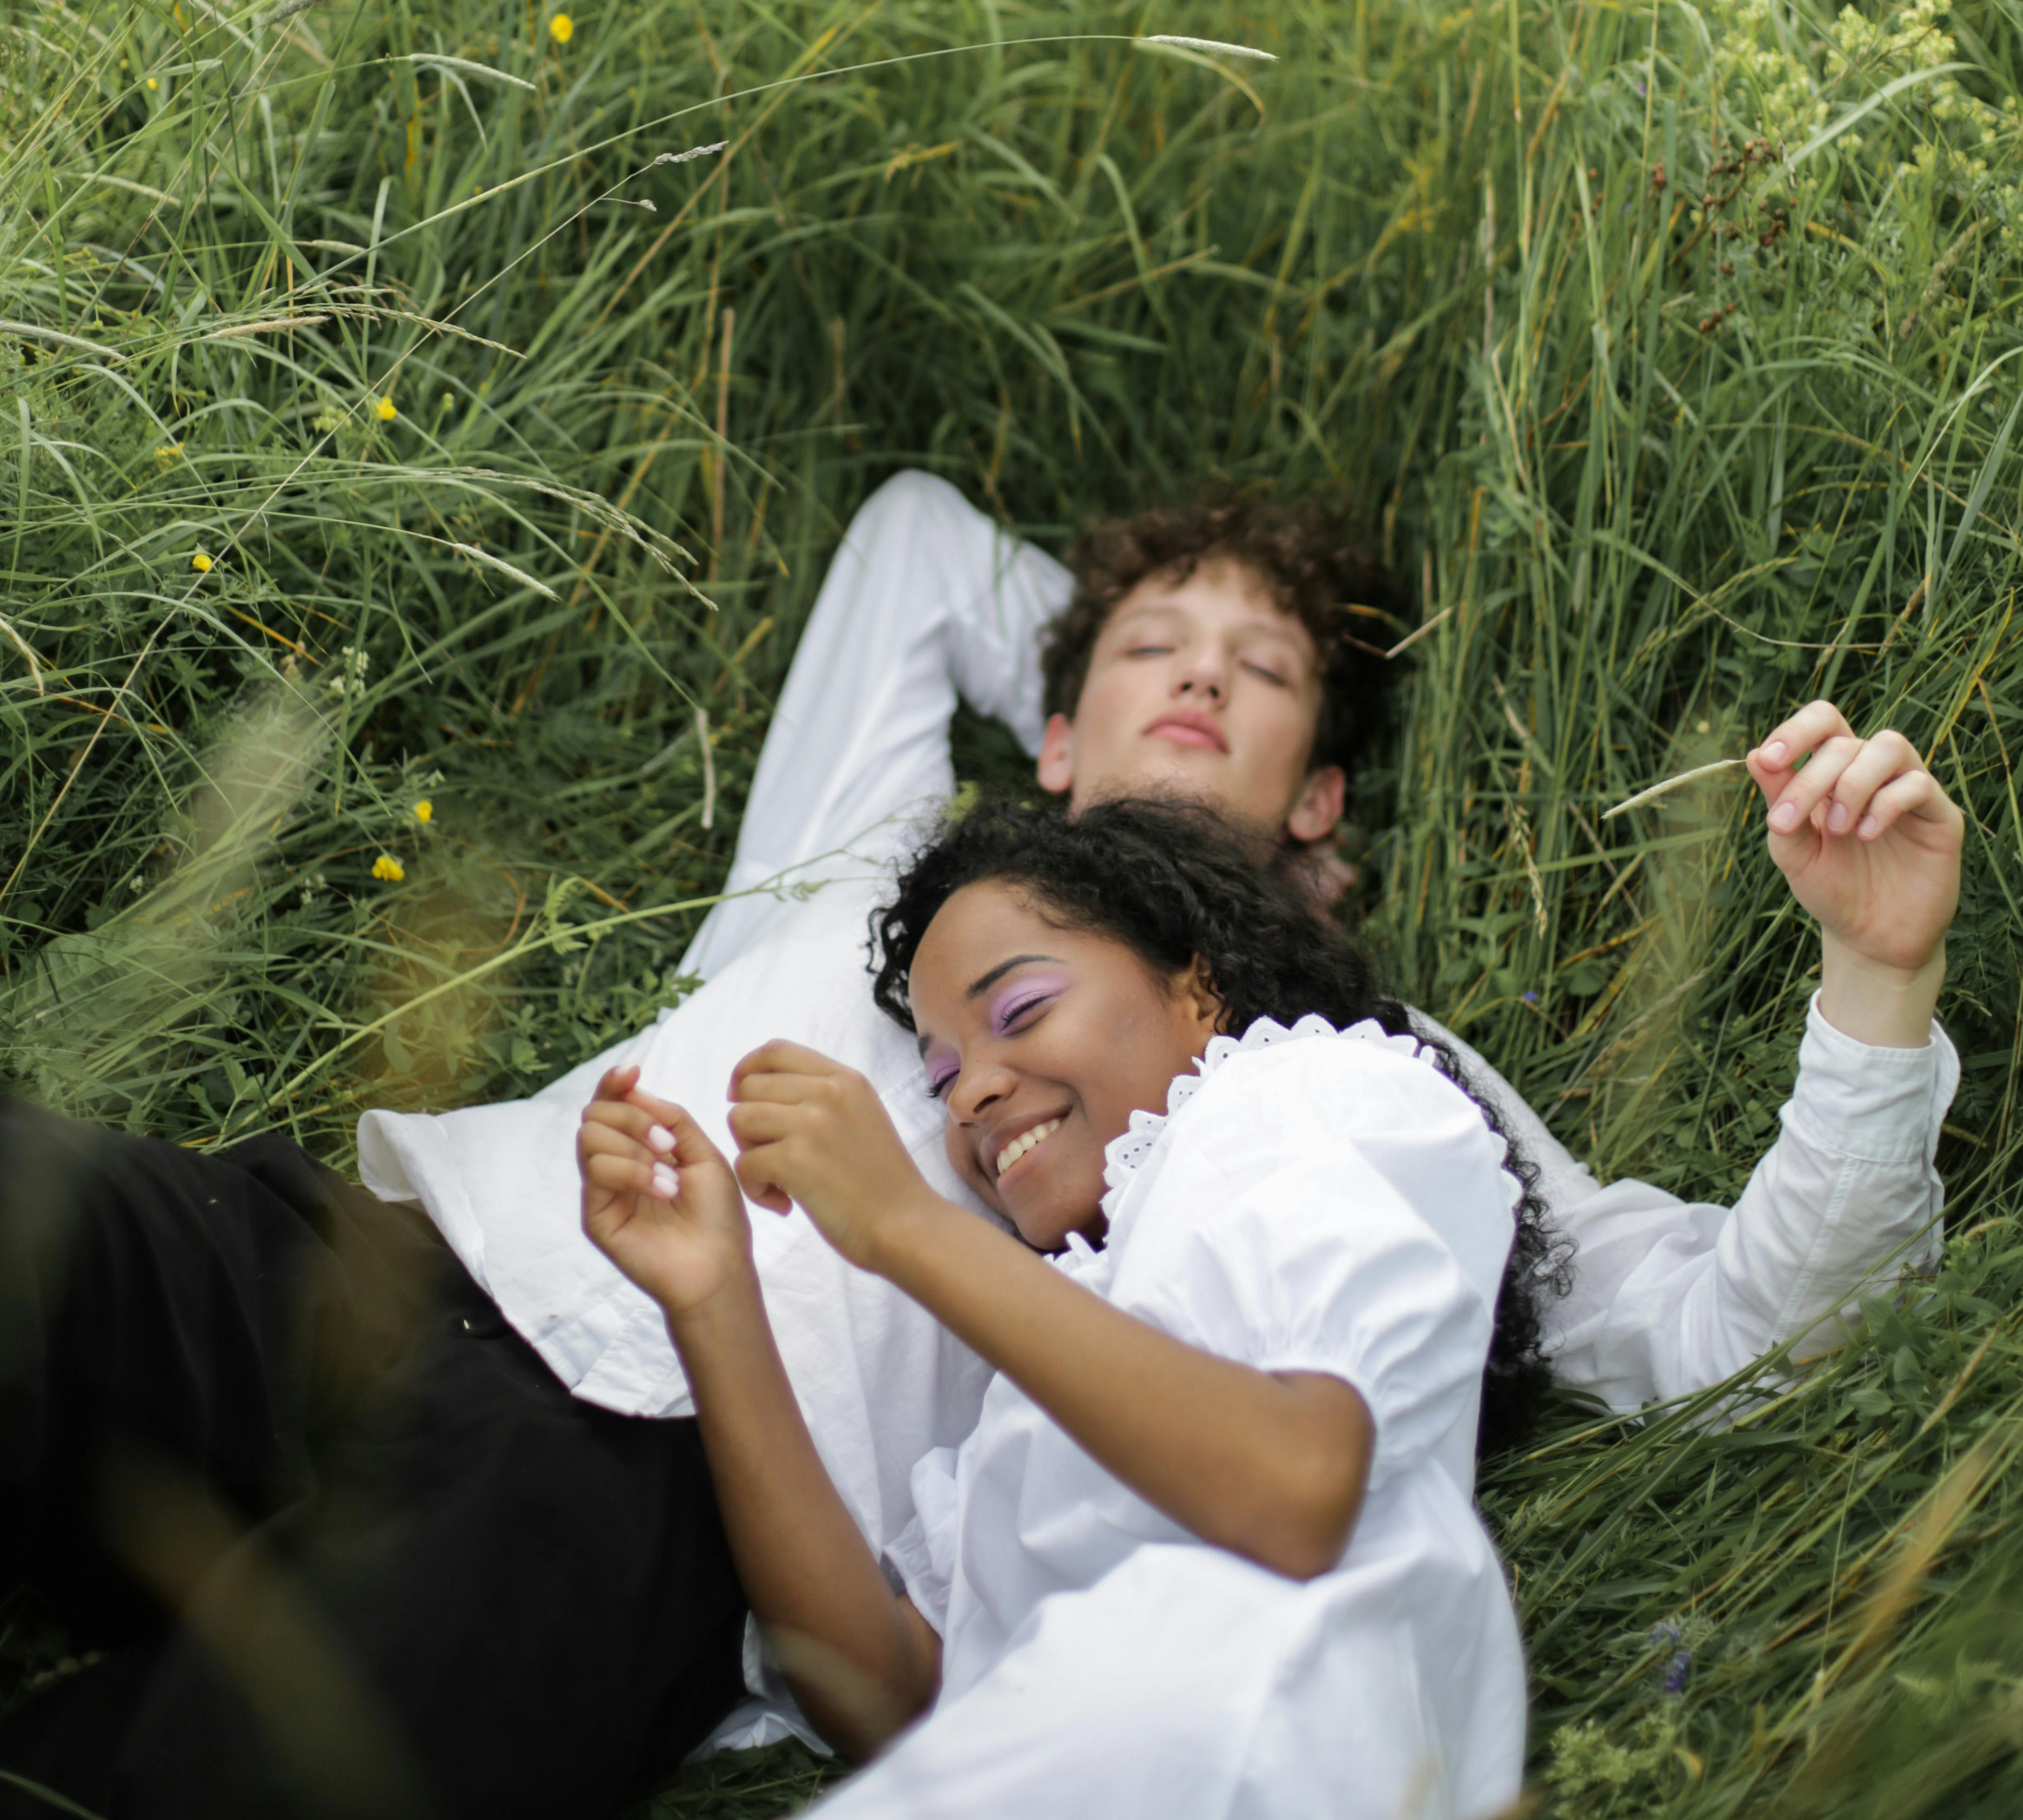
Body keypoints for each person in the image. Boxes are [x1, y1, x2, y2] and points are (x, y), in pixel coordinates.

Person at [0, 473, 1963, 1814]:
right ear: (1041, 720)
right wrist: (1103, 741)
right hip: (395, 1242)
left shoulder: (1363, 1063)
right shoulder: (884, 858)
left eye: (1262, 673)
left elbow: (1744, 1326)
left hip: (653, 1486)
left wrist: (1878, 982)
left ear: (1326, 797)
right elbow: (921, 538)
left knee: (220, 1771)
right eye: (1148, 649)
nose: (1200, 673)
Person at [577, 794, 1547, 1820]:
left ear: (1199, 987)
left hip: (1248, 1741)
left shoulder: (1309, 1097)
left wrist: (905, 1225)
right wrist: (715, 1297)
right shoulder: (1054, 1348)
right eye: (941, 1072)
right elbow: (898, 1693)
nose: (969, 1096)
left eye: (1021, 1012)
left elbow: (1297, 1486)